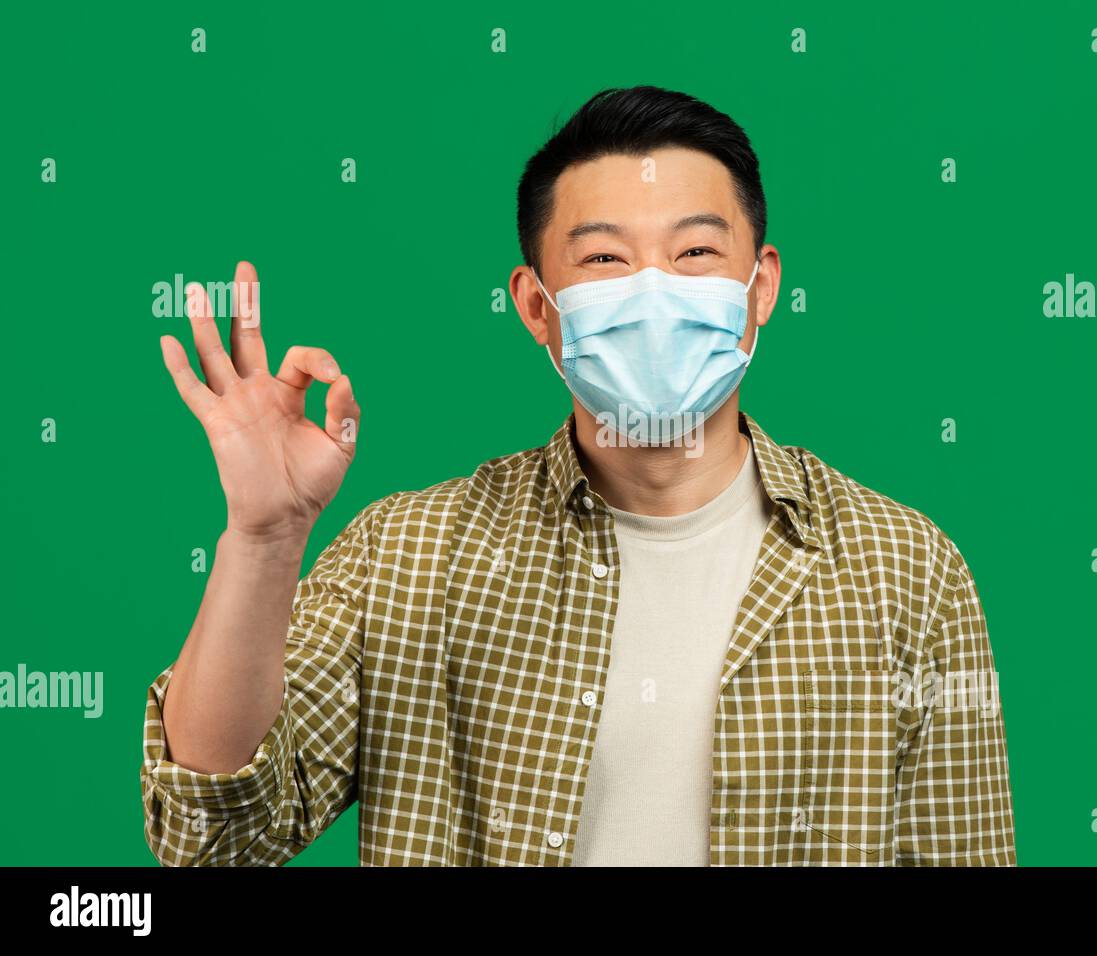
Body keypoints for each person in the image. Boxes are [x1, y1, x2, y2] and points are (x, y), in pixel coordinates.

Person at [142, 85, 1015, 867]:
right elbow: (209, 836)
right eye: (603, 260)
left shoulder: (905, 571)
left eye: (696, 254)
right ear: (535, 305)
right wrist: (263, 539)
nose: (653, 291)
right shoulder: (406, 559)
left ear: (759, 286)